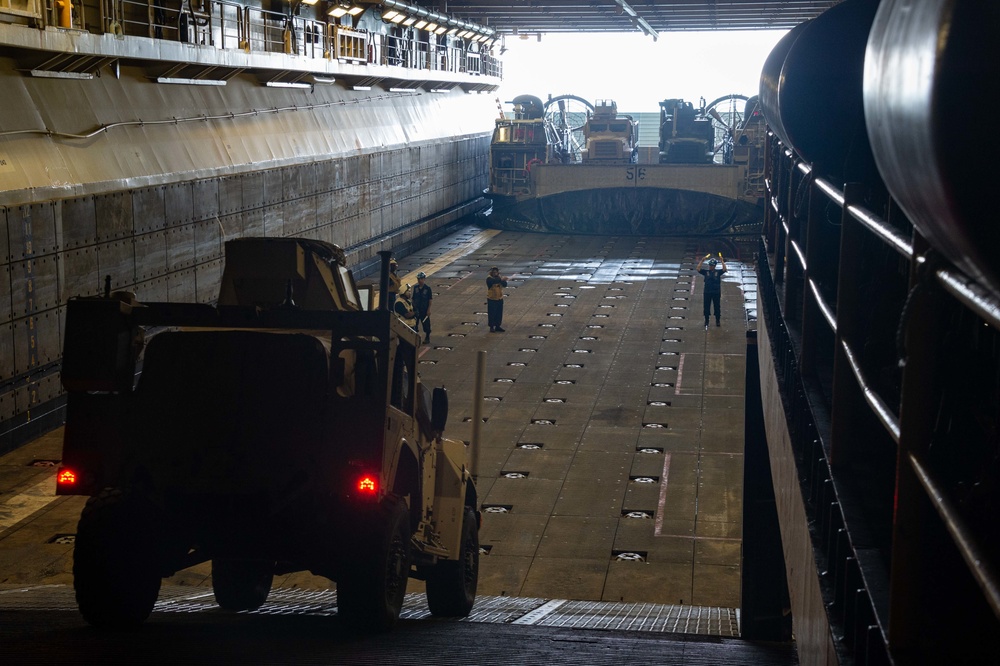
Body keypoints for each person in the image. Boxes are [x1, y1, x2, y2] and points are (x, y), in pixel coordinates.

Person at [696, 253, 727, 329]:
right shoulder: (706, 272)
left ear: (714, 266)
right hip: (707, 292)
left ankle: (717, 321)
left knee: (717, 307)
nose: (710, 267)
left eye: (711, 265)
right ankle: (706, 320)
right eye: (709, 265)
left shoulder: (718, 272)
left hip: (716, 292)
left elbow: (724, 269)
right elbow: (698, 269)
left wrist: (722, 261)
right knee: (706, 307)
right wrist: (702, 261)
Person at [411, 271, 433, 343]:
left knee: (426, 324)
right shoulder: (416, 288)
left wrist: (429, 310)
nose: (420, 280)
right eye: (418, 279)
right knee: (415, 324)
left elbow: (430, 300)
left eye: (421, 279)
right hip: (416, 309)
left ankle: (427, 337)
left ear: (424, 279)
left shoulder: (427, 288)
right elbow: (413, 298)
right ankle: (415, 338)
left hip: (424, 309)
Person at [486, 266, 508, 332]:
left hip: (499, 298)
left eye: (496, 272)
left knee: (499, 313)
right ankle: (491, 327)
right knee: (492, 313)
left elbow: (504, 284)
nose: (495, 273)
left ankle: (498, 326)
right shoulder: (489, 279)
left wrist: (503, 280)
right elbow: (493, 281)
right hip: (491, 299)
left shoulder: (499, 278)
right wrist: (501, 279)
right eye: (493, 272)